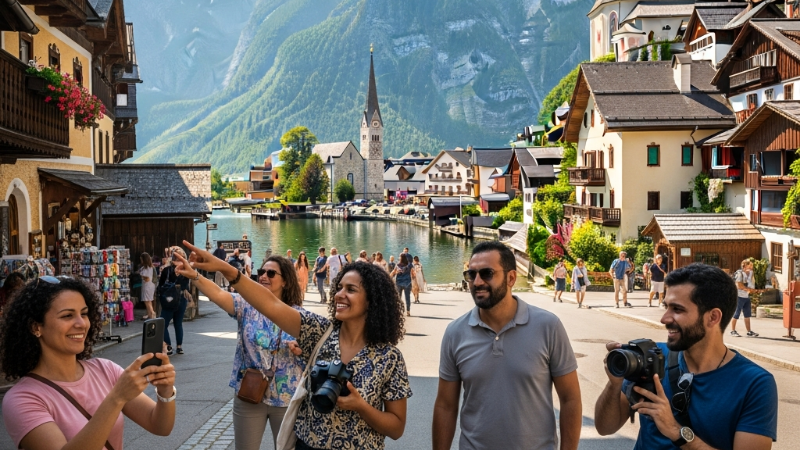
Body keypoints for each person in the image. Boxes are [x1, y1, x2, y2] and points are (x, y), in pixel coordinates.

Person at [174, 241, 412, 450]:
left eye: (351, 290)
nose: (339, 294)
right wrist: (222, 267)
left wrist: (361, 406)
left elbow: (397, 427)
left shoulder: (389, 357)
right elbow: (269, 304)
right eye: (339, 287)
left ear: (373, 301)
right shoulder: (320, 332)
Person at [594, 264, 778, 450]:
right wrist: (614, 384)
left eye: (677, 309)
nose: (664, 318)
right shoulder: (652, 356)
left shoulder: (754, 383)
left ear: (713, 317)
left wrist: (675, 430)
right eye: (666, 307)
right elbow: (605, 428)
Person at [433, 241, 581, 450]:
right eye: (471, 274)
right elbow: (445, 406)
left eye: (486, 273)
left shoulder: (548, 326)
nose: (477, 282)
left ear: (511, 278)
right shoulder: (455, 333)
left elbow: (570, 399)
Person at [0, 276, 177, 450]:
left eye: (84, 314)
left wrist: (165, 391)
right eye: (67, 315)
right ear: (36, 327)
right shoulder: (22, 399)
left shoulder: (105, 369)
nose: (81, 323)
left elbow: (160, 426)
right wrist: (116, 398)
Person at [187, 255, 305, 449]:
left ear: (285, 281)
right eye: (261, 272)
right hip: (250, 393)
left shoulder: (297, 315)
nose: (264, 276)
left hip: (286, 397)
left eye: (271, 273)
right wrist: (194, 275)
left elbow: (314, 351)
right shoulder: (246, 306)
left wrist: (301, 350)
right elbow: (217, 293)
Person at [160, 247, 191, 355]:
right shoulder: (183, 271)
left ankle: (173, 346)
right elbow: (186, 286)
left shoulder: (168, 271)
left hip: (173, 300)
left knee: (166, 324)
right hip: (178, 299)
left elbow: (161, 286)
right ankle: (176, 346)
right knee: (174, 324)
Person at [731, 259, 759, 337]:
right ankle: (733, 331)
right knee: (736, 314)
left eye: (751, 266)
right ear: (744, 266)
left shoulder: (751, 273)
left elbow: (751, 284)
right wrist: (748, 289)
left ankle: (749, 331)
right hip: (739, 296)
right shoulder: (740, 274)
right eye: (749, 265)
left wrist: (752, 290)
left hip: (746, 296)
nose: (751, 267)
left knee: (747, 315)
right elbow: (739, 285)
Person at [139, 252, 157, 320]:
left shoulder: (148, 268)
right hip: (147, 286)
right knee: (147, 301)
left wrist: (141, 276)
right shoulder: (145, 267)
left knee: (148, 301)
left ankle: (152, 314)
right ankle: (150, 314)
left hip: (148, 286)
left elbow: (147, 278)